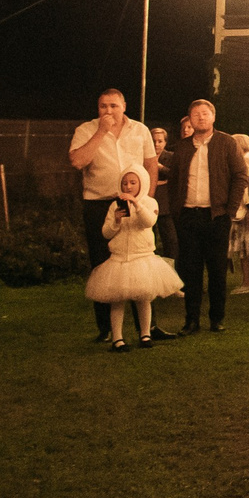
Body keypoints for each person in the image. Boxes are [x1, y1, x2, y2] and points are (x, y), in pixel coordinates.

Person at [71, 89, 160, 340]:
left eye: (113, 106)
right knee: (102, 265)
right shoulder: (86, 130)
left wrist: (147, 198)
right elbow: (77, 161)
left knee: (139, 262)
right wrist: (101, 132)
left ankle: (147, 328)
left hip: (134, 201)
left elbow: (151, 164)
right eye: (102, 106)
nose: (108, 111)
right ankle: (107, 329)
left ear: (124, 106)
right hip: (99, 203)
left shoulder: (140, 130)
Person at [166, 98, 249, 334]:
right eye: (196, 114)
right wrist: (176, 211)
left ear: (213, 117)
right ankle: (191, 319)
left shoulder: (226, 143)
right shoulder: (181, 147)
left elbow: (240, 176)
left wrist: (230, 210)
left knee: (217, 269)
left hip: (217, 216)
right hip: (188, 217)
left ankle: (216, 318)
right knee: (190, 270)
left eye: (205, 113)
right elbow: (173, 182)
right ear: (190, 119)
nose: (201, 117)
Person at [88, 171, 184, 348]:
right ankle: (118, 338)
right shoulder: (114, 206)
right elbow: (106, 233)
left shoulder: (149, 203)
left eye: (133, 182)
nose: (128, 187)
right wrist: (116, 221)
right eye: (125, 183)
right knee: (117, 299)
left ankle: (145, 334)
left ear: (142, 183)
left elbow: (149, 222)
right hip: (119, 259)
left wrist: (137, 205)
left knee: (144, 297)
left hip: (142, 258)